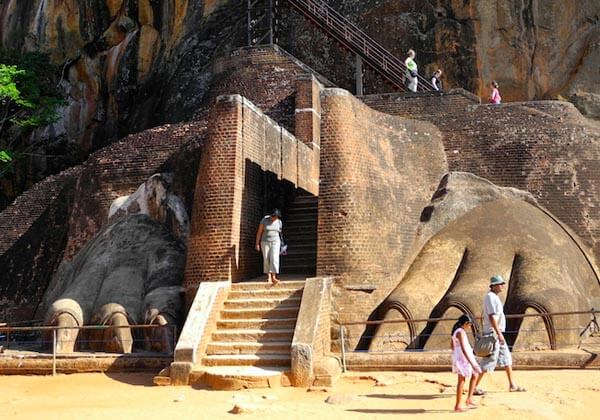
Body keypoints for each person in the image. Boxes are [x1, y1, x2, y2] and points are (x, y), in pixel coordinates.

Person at [474, 275, 526, 395]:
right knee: (487, 361)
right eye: (501, 284)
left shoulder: (494, 297)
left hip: (497, 334)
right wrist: (498, 333)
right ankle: (474, 387)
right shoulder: (490, 297)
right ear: (494, 285)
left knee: (507, 359)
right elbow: (492, 316)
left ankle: (512, 385)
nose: (503, 285)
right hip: (494, 334)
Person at [451, 314, 481, 412]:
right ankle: (457, 406)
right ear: (465, 323)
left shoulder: (459, 331)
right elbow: (463, 349)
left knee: (475, 374)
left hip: (462, 357)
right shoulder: (460, 332)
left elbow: (453, 346)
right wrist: (471, 362)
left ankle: (469, 399)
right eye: (470, 324)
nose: (470, 326)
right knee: (461, 380)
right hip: (463, 358)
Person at [255, 209, 282, 285]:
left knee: (274, 258)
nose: (274, 219)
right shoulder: (265, 220)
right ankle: (269, 276)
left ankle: (274, 276)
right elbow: (259, 232)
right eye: (274, 217)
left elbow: (280, 233)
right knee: (266, 258)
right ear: (271, 216)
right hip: (265, 241)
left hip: (276, 241)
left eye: (276, 217)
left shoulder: (279, 222)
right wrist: (257, 243)